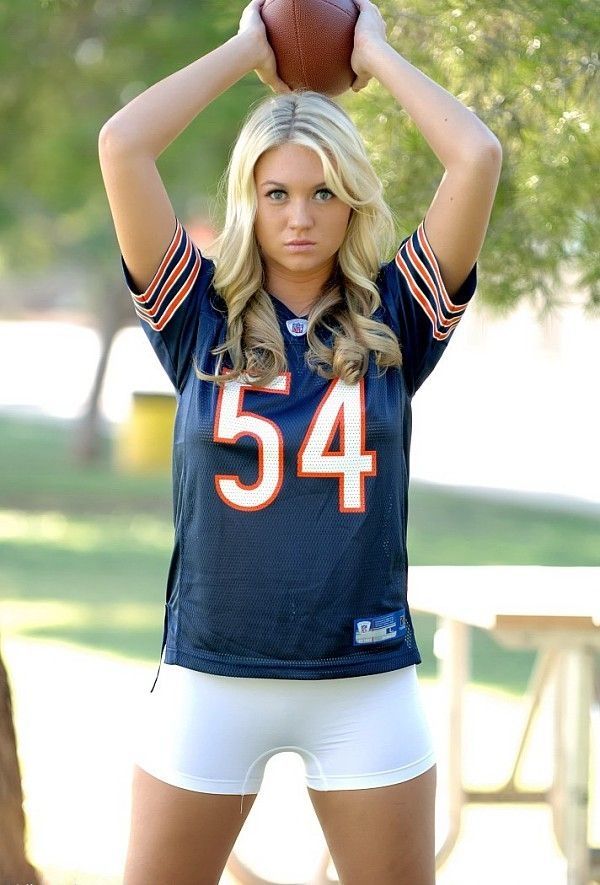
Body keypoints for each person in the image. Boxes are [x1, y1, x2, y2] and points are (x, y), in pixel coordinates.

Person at [98, 0, 502, 881]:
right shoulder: (196, 314)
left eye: (324, 190)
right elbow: (123, 144)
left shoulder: (398, 314)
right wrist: (248, 50)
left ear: (353, 198)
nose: (300, 216)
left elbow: (476, 156)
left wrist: (376, 54)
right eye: (275, 191)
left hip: (362, 679)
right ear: (248, 199)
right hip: (212, 671)